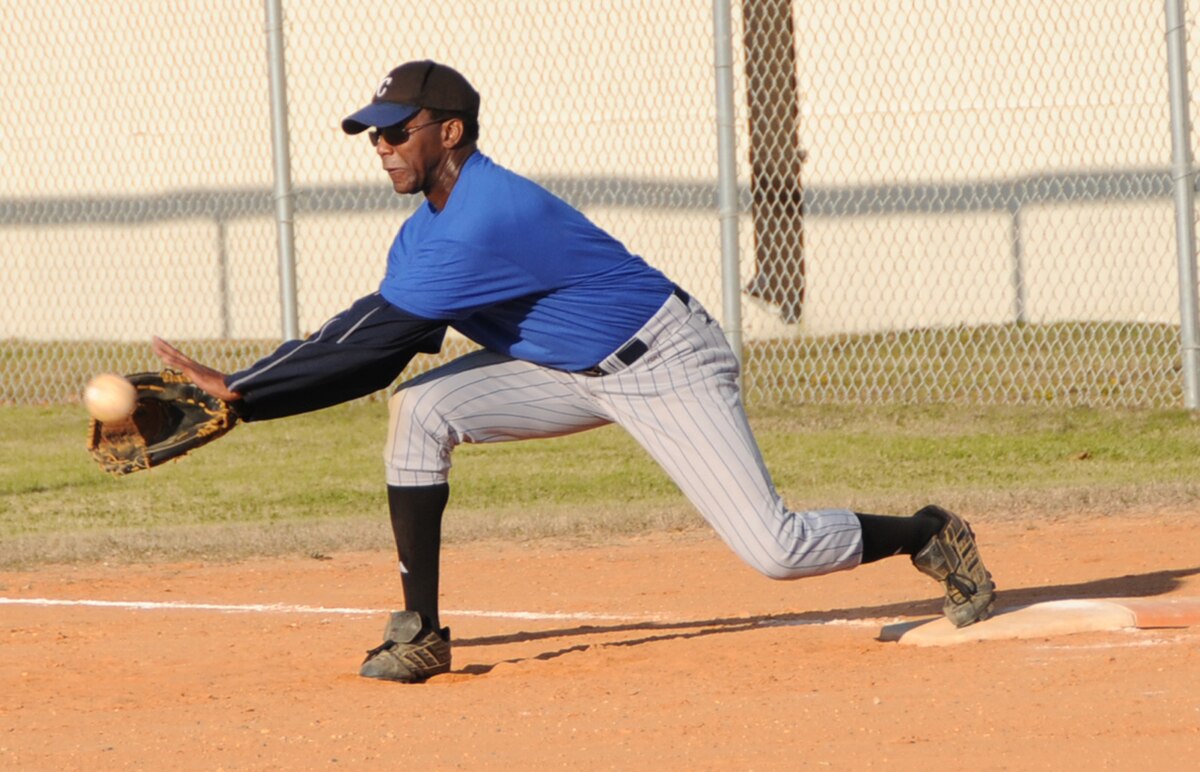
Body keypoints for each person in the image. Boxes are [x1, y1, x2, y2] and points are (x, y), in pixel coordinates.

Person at [153, 60, 996, 684]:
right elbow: (366, 329)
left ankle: (924, 532)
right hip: (563, 366)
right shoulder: (428, 229)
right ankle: (423, 631)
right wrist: (246, 384)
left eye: (395, 128)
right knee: (419, 413)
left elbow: (370, 348)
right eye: (374, 132)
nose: (380, 145)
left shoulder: (484, 213)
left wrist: (244, 399)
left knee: (774, 550)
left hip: (664, 360)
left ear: (449, 130)